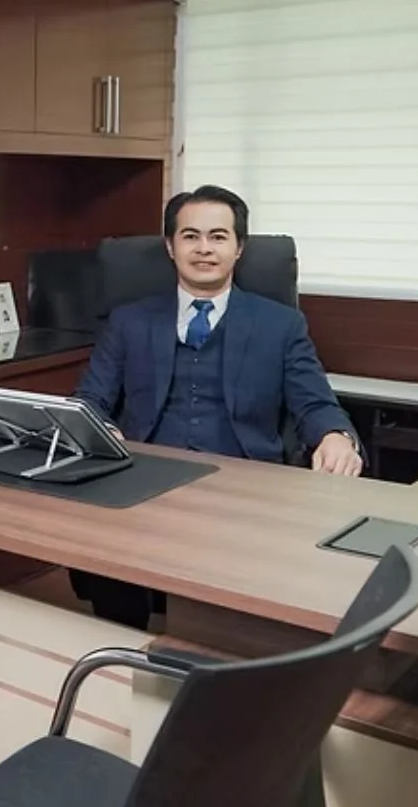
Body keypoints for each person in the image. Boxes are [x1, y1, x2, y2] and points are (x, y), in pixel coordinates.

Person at [69, 184, 362, 628]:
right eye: (190, 236)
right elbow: (91, 399)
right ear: (170, 246)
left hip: (244, 489)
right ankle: (120, 645)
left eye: (218, 237)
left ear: (238, 248)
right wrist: (95, 427)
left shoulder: (280, 324)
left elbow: (315, 401)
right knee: (106, 553)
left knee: (229, 621)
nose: (204, 249)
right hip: (143, 480)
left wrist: (335, 436)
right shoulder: (129, 321)